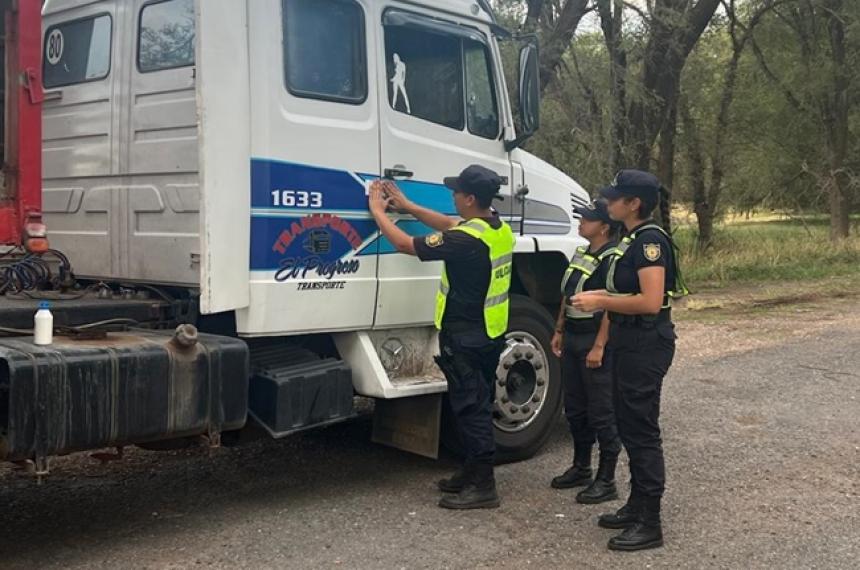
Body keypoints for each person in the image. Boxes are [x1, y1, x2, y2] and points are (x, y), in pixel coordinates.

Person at [368, 165, 515, 510]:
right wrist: (408, 206)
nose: (453, 196)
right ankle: (472, 471)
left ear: (469, 198)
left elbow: (405, 244)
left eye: (456, 192)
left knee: (471, 410)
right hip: (489, 332)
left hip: (466, 337)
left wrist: (378, 211)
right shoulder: (496, 227)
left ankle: (484, 486)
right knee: (477, 404)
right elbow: (449, 225)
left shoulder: (466, 240)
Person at [571, 170, 688, 552]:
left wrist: (600, 301)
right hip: (628, 340)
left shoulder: (650, 241)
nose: (607, 202)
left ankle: (650, 522)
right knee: (627, 423)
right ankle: (637, 505)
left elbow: (651, 301)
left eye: (614, 197)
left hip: (645, 343)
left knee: (641, 431)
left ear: (633, 204)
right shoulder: (631, 238)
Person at [550, 199, 622, 506]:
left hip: (595, 338)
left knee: (601, 411)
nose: (581, 222)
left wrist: (599, 345)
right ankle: (581, 467)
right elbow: (567, 294)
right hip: (573, 337)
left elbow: (613, 305)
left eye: (587, 219)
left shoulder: (613, 258)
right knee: (575, 408)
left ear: (604, 226)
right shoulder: (581, 252)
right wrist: (559, 329)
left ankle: (606, 479)